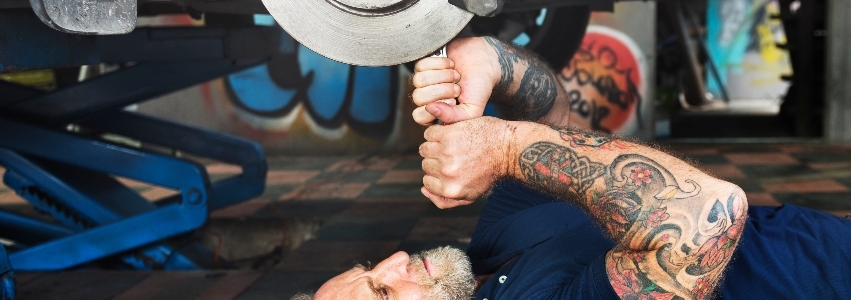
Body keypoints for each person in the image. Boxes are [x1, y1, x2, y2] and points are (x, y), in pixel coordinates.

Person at [296, 37, 851, 300]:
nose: (396, 260)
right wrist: (507, 149)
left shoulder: (494, 249)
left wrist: (493, 62)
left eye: (371, 266)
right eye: (386, 293)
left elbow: (554, 121)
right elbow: (710, 217)